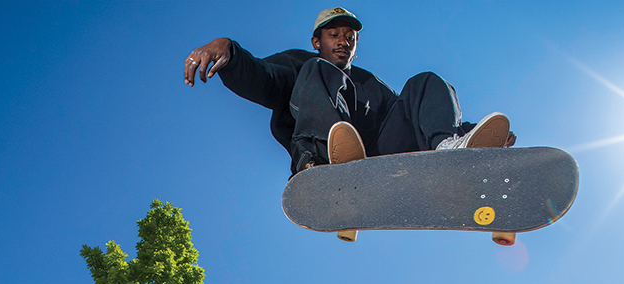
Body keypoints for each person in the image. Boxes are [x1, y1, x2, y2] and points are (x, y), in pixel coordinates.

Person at [183, 7, 515, 176]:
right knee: (320, 70)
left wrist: (474, 133)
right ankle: (327, 156)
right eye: (334, 35)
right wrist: (228, 51)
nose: (343, 41)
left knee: (425, 81)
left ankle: (451, 149)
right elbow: (265, 79)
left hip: (378, 157)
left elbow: (414, 115)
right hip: (322, 163)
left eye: (350, 37)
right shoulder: (301, 65)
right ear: (317, 42)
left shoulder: (371, 85)